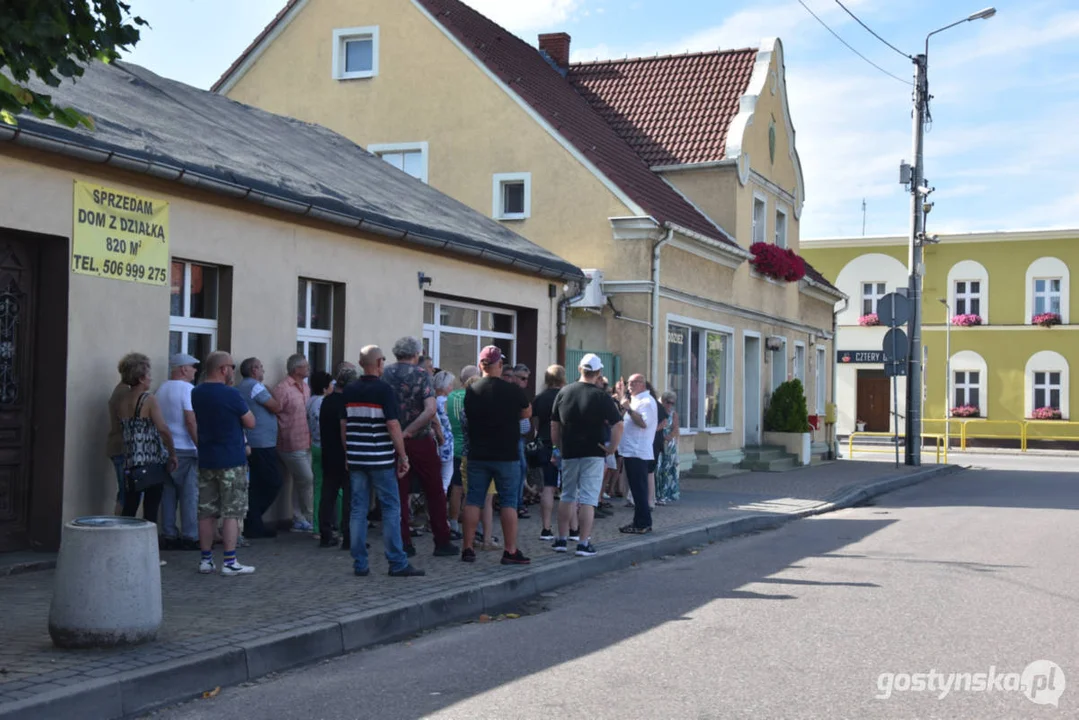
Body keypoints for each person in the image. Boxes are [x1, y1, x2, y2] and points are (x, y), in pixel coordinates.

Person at [341, 345, 424, 577]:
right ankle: (397, 562)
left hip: (357, 457)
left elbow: (343, 426)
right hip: (381, 458)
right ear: (379, 363)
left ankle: (360, 564)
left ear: (360, 364)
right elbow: (393, 425)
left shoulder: (349, 390)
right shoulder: (384, 390)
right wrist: (403, 455)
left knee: (358, 510)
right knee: (390, 509)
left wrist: (348, 453)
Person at [381, 336, 458, 558]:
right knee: (434, 490)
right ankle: (442, 541)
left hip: (392, 440)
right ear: (416, 353)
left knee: (399, 493)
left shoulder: (385, 374)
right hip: (420, 439)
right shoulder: (422, 375)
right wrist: (412, 430)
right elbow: (430, 410)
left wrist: (400, 433)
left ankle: (403, 542)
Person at [461, 345, 532, 565]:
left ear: (481, 365)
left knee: (473, 500)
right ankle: (510, 550)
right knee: (509, 502)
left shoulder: (471, 391)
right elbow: (527, 413)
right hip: (506, 455)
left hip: (478, 454)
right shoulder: (513, 390)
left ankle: (468, 548)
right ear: (499, 365)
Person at [550, 354, 624, 556]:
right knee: (589, 499)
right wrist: (612, 448)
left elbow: (554, 425)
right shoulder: (601, 396)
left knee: (567, 495)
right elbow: (618, 424)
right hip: (594, 451)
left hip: (570, 451)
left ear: (580, 370)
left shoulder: (564, 392)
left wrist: (557, 447)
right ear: (598, 373)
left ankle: (562, 539)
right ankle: (583, 542)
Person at [191, 351, 256, 575]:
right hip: (231, 459)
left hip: (207, 458)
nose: (233, 371)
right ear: (223, 369)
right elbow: (250, 421)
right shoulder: (232, 394)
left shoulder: (196, 393)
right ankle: (230, 561)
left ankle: (206, 560)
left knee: (206, 512)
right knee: (232, 511)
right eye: (231, 367)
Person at [116, 353, 177, 522]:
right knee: (151, 508)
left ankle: (124, 541)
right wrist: (172, 452)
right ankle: (148, 545)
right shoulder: (148, 399)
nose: (151, 379)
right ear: (142, 378)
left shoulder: (122, 399)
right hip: (150, 459)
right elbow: (163, 429)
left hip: (130, 459)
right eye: (149, 375)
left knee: (130, 505)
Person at [156, 352, 201, 550]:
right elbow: (190, 420)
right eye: (192, 366)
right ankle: (190, 535)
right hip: (186, 448)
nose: (195, 370)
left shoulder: (160, 389)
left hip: (166, 448)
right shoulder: (187, 389)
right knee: (190, 494)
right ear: (183, 369)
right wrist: (200, 444)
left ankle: (169, 533)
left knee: (168, 493)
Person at [237, 357, 282, 538]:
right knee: (273, 482)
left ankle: (253, 523)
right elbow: (276, 407)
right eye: (261, 367)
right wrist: (271, 392)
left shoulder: (239, 387)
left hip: (251, 442)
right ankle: (253, 519)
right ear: (254, 370)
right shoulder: (256, 387)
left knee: (255, 484)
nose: (263, 371)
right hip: (262, 444)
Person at [274, 354, 314, 532]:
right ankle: (310, 516)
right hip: (290, 442)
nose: (308, 368)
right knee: (306, 479)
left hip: (306, 441)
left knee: (301, 482)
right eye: (305, 366)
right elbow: (275, 412)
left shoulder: (305, 387)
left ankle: (299, 518)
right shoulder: (282, 389)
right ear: (296, 369)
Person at [319, 363, 357, 548]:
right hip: (345, 455)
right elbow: (346, 430)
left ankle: (325, 533)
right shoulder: (346, 403)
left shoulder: (327, 400)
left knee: (328, 495)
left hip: (328, 453)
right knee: (350, 496)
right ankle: (349, 537)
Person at [617, 373, 657, 534]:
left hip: (638, 451)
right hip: (631, 450)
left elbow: (643, 423)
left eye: (634, 383)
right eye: (629, 382)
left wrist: (628, 408)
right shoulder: (636, 400)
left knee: (639, 489)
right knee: (636, 489)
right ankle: (640, 521)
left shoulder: (646, 402)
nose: (630, 386)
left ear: (643, 384)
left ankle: (642, 523)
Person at [445, 365, 479, 539]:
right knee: (472, 490)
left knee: (456, 488)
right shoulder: (475, 397)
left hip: (454, 447)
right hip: (470, 448)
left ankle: (453, 523)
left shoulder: (450, 396)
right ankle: (471, 526)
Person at [532, 364, 565, 540]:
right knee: (568, 488)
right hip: (563, 444)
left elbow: (535, 424)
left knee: (547, 487)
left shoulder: (539, 398)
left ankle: (546, 528)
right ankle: (572, 529)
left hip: (544, 443)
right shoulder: (565, 396)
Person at [307, 370, 334, 537]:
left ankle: (317, 526)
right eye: (331, 384)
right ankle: (334, 523)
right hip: (326, 446)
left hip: (314, 444)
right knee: (335, 488)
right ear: (325, 388)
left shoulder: (309, 401)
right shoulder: (324, 402)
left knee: (318, 487)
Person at [106, 369, 129, 516]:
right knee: (126, 491)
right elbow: (126, 421)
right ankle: (119, 526)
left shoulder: (121, 389)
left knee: (125, 490)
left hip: (118, 445)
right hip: (122, 446)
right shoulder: (124, 393)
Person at [655, 390, 681, 504]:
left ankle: (664, 495)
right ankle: (656, 494)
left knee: (666, 470)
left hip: (669, 445)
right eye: (667, 402)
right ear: (663, 401)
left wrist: (669, 436)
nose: (669, 405)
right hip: (658, 443)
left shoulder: (673, 414)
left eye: (672, 403)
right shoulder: (658, 411)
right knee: (657, 469)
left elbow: (675, 428)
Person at [433, 371, 456, 494]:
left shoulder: (432, 400)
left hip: (438, 443)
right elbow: (447, 423)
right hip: (445, 443)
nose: (452, 387)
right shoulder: (444, 401)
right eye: (451, 384)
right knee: (445, 478)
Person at [646, 381, 668, 510]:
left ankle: (650, 500)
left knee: (649, 471)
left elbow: (664, 421)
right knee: (649, 472)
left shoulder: (654, 404)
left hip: (653, 442)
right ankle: (648, 500)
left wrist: (652, 430)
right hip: (652, 442)